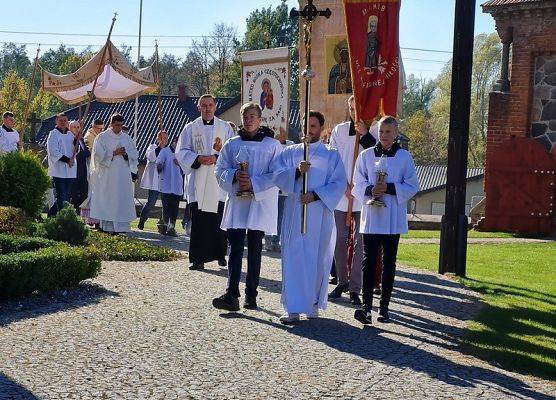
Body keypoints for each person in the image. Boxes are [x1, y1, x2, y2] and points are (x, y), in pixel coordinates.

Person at [273, 111, 347, 323]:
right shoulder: (290, 152)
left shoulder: (331, 154)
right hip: (295, 212)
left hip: (319, 213)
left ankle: (312, 304)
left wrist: (315, 195)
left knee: (317, 256)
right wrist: (296, 172)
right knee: (293, 256)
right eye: (306, 125)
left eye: (314, 126)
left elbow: (339, 182)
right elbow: (277, 174)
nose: (309, 130)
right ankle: (292, 307)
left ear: (321, 128)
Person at [212, 102, 282, 311]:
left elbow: (278, 173)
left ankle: (251, 295)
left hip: (258, 202)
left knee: (254, 249)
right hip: (237, 202)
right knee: (234, 248)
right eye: (245, 116)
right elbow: (219, 169)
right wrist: (235, 175)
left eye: (253, 116)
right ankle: (231, 293)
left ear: (260, 119)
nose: (249, 120)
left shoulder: (271, 145)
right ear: (242, 119)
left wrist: (254, 183)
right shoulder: (232, 144)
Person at [352, 116, 419, 324]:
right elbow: (357, 182)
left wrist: (388, 188)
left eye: (388, 132)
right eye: (381, 132)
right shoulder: (366, 155)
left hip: (392, 216)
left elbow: (412, 185)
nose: (384, 136)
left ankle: (384, 308)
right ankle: (366, 307)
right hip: (372, 215)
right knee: (368, 261)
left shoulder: (404, 157)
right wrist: (371, 189)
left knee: (389, 262)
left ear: (396, 133)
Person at [176, 94, 234, 270]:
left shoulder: (225, 127)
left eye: (210, 105)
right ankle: (198, 258)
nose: (207, 108)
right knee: (200, 221)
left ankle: (220, 254)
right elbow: (181, 152)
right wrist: (198, 158)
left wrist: (217, 157)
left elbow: (232, 151)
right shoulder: (190, 128)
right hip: (198, 179)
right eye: (204, 105)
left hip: (218, 182)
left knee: (218, 219)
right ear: (199, 107)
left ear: (215, 106)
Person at [328, 96, 376, 305]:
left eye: (358, 108)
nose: (355, 112)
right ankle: (342, 280)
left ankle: (356, 287)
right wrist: (343, 185)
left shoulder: (374, 131)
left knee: (360, 242)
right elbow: (333, 159)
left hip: (362, 193)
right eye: (351, 108)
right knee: (339, 239)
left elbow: (376, 157)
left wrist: (365, 135)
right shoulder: (339, 130)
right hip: (342, 192)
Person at [89, 113, 139, 233]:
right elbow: (97, 156)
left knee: (121, 198)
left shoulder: (126, 138)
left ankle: (121, 228)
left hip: (122, 175)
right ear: (111, 124)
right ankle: (105, 226)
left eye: (121, 125)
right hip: (107, 175)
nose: (119, 128)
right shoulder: (102, 137)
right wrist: (114, 153)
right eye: (117, 125)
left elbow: (134, 155)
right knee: (108, 199)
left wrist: (126, 154)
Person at [264, 127, 294, 252]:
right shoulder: (268, 145)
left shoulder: (290, 145)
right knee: (269, 212)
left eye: (283, 131)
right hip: (270, 186)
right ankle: (268, 239)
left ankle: (276, 240)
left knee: (280, 215)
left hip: (282, 188)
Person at [47, 113, 76, 216]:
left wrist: (78, 139)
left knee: (66, 195)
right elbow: (54, 151)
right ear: (56, 121)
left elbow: (76, 149)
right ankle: (62, 217)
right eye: (61, 120)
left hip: (70, 170)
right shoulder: (53, 134)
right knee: (61, 194)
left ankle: (51, 215)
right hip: (58, 170)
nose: (63, 122)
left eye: (65, 120)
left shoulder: (71, 134)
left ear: (67, 122)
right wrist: (67, 160)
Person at [138, 131, 167, 230]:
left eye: (166, 138)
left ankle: (164, 224)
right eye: (163, 138)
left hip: (165, 181)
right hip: (155, 181)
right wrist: (160, 147)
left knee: (166, 204)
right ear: (158, 139)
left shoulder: (168, 150)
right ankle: (143, 219)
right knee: (151, 203)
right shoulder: (152, 147)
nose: (165, 140)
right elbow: (151, 157)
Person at [156, 134, 183, 236]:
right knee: (166, 206)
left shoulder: (181, 153)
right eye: (177, 142)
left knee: (175, 207)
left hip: (176, 184)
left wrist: (180, 163)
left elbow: (187, 167)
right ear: (174, 142)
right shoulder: (165, 151)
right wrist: (160, 166)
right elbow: (159, 162)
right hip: (166, 183)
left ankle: (172, 227)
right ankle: (165, 226)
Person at [68, 120, 90, 212]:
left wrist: (87, 152)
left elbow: (85, 152)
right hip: (74, 171)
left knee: (84, 194)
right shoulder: (69, 139)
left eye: (78, 127)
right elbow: (76, 155)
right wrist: (86, 152)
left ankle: (79, 213)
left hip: (82, 171)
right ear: (69, 128)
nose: (76, 129)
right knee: (73, 195)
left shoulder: (80, 139)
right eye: (74, 127)